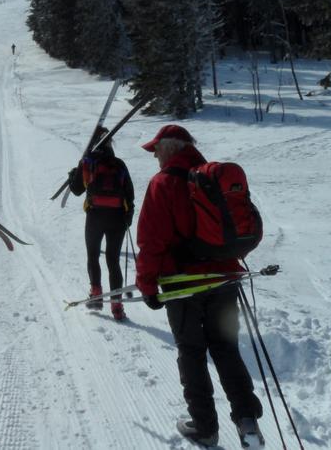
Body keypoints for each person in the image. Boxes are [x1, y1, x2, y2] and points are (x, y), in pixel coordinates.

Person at [135, 125, 263, 447]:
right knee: (226, 348)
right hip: (223, 279)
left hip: (182, 286)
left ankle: (204, 427)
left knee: (192, 353)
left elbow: (151, 242)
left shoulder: (162, 183)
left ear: (168, 148)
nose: (155, 157)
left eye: (156, 150)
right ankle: (247, 422)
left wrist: (147, 286)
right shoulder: (211, 179)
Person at [67, 126, 135, 320]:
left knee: (93, 255)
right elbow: (129, 194)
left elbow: (76, 189)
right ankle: (117, 307)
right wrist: (127, 218)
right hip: (117, 218)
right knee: (113, 260)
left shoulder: (88, 162)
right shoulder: (119, 164)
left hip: (95, 217)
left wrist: (73, 174)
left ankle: (96, 296)